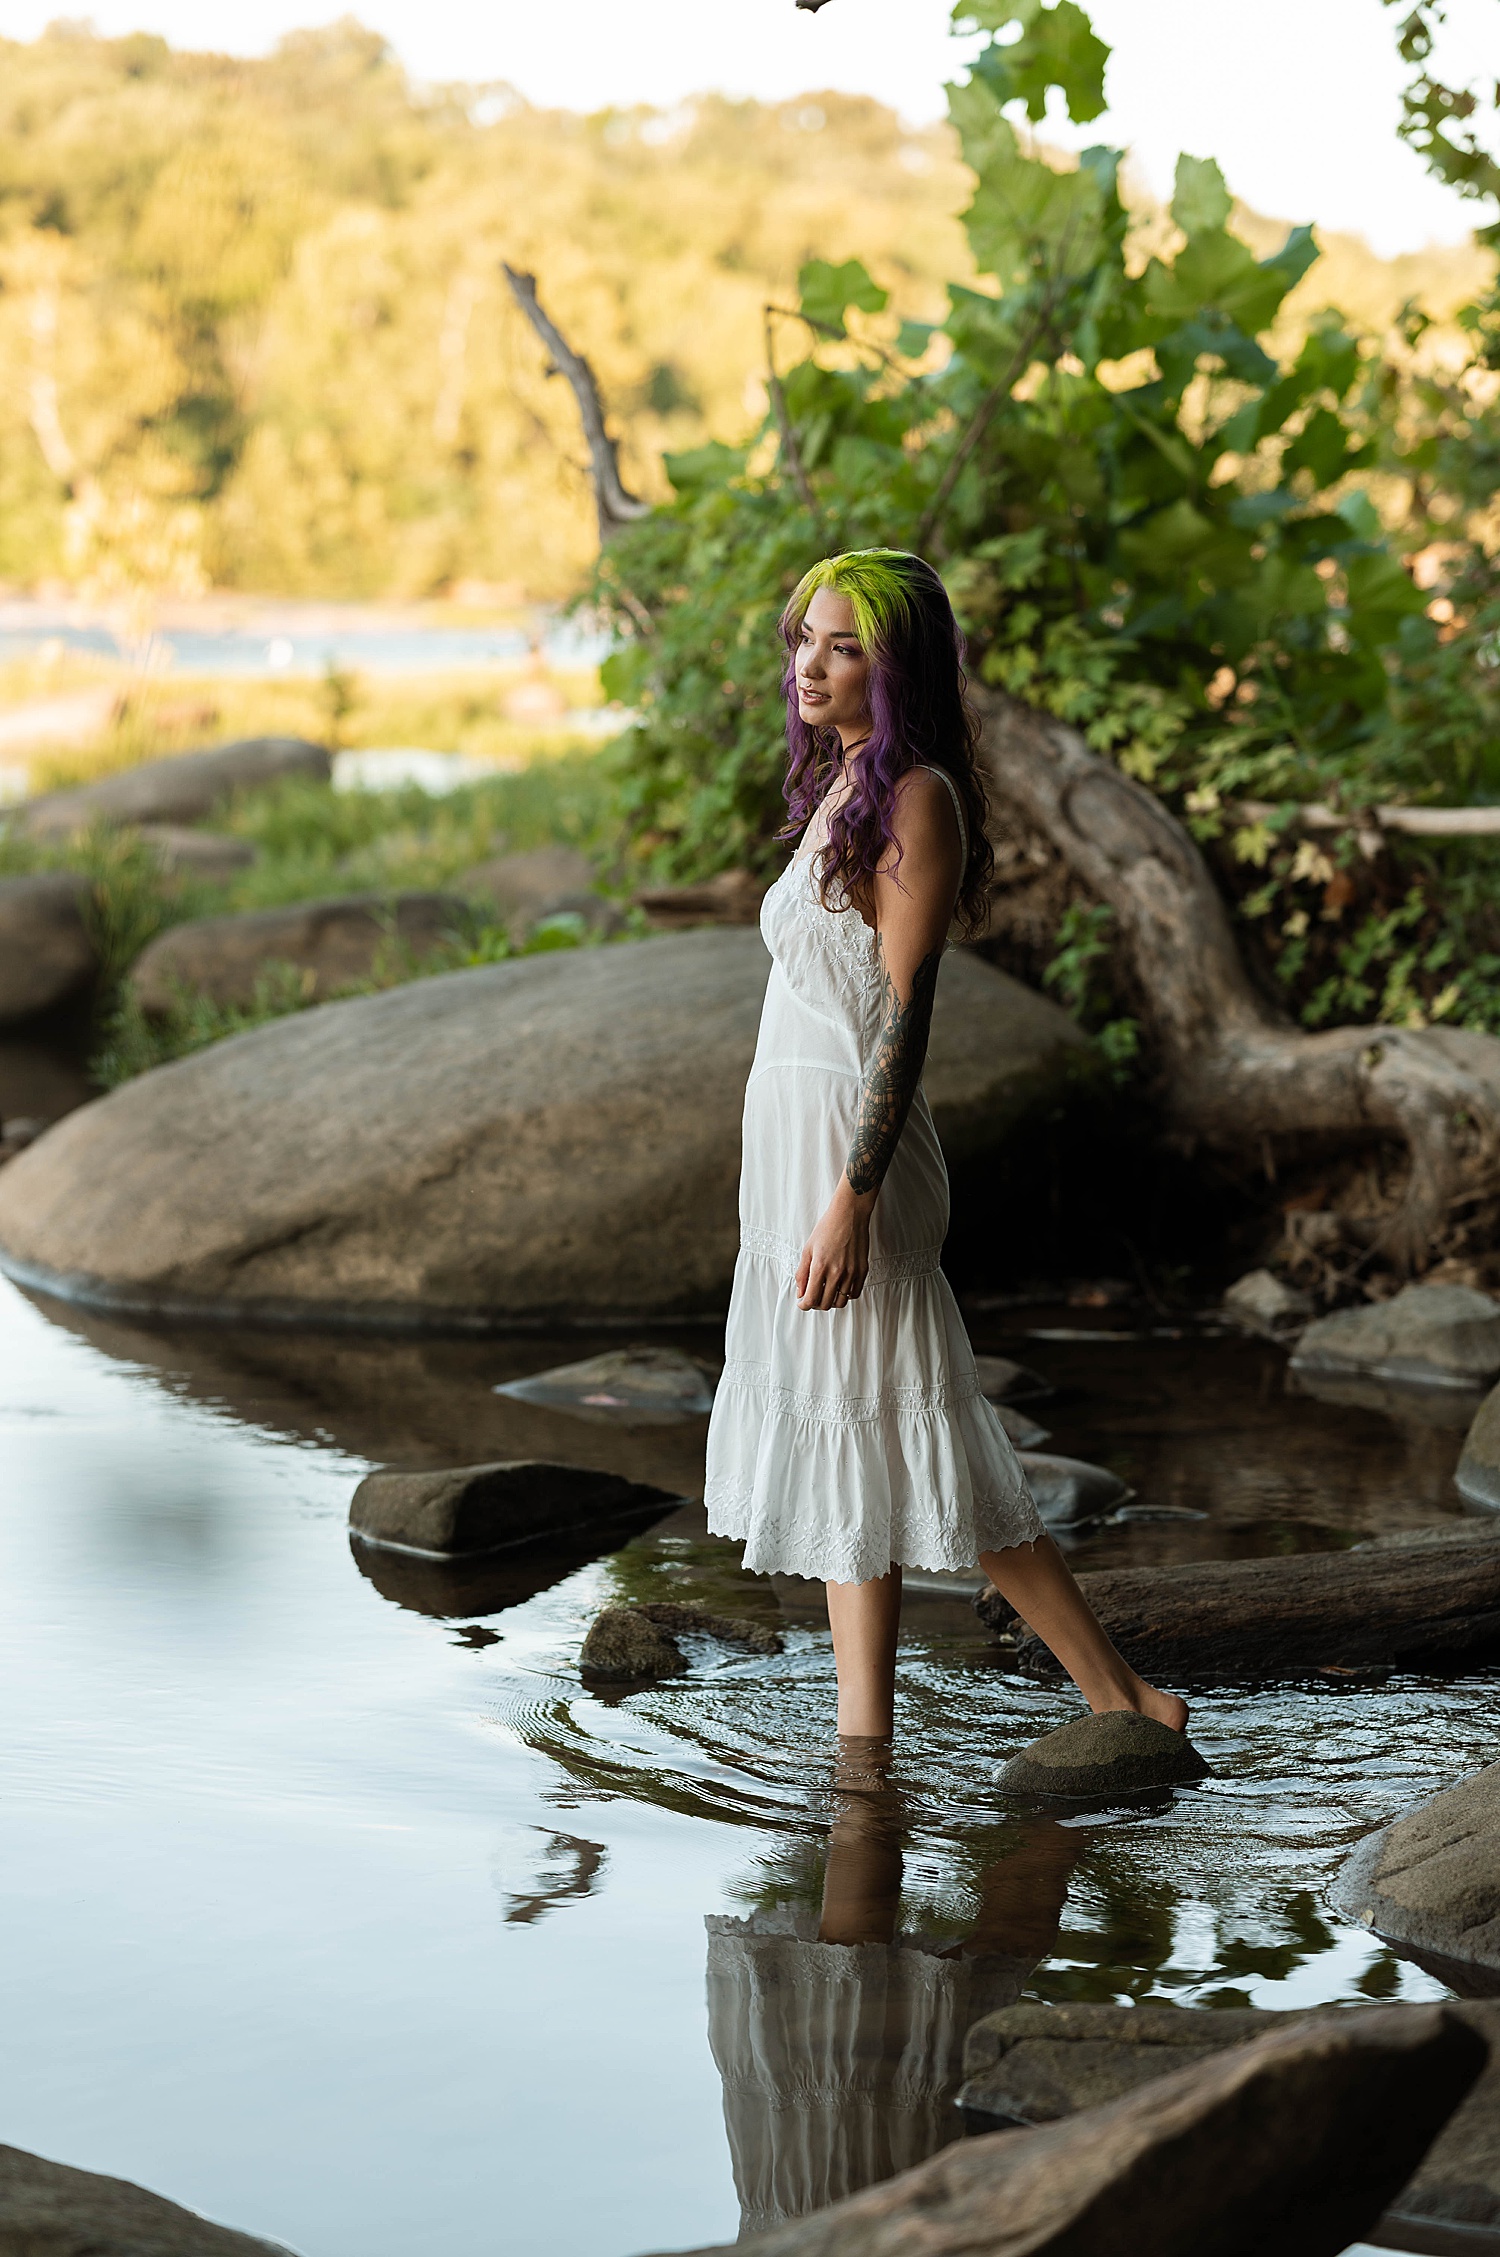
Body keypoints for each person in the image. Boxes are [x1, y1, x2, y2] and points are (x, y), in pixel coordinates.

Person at [703, 547, 1187, 1744]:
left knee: (926, 1423)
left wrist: (852, 1199)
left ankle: (1121, 1694)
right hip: (797, 1152)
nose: (809, 665)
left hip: (854, 1164)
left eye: (843, 644)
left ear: (898, 663)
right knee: (848, 1429)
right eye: (804, 640)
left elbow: (907, 1019)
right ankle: (862, 1733)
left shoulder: (917, 794)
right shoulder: (847, 781)